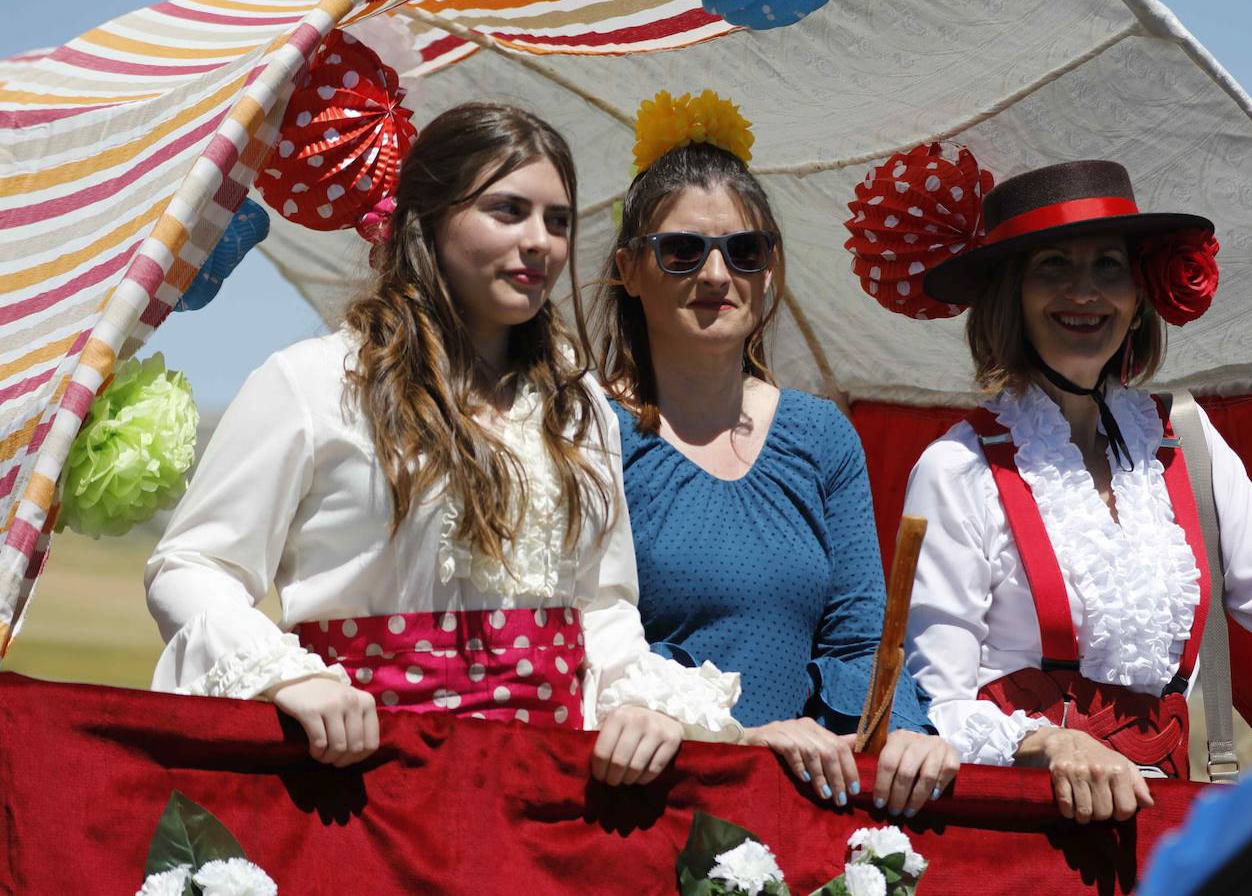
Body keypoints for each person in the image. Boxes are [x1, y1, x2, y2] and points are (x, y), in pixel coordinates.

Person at [146, 103, 741, 785]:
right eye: (507, 210)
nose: (540, 241)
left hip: (543, 788)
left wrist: (639, 704)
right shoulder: (314, 384)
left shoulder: (576, 406)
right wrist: (286, 678)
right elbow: (192, 564)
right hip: (365, 781)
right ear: (427, 220)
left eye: (558, 220)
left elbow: (601, 606)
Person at [901, 159, 1252, 823]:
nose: (1085, 292)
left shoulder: (1188, 445)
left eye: (1109, 267)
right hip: (1015, 839)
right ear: (1010, 296)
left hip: (1162, 835)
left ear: (1139, 294)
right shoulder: (958, 468)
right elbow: (932, 707)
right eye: (1053, 265)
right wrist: (1047, 741)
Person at [593, 100, 960, 818]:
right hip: (651, 804)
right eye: (681, 251)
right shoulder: (587, 430)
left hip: (800, 812)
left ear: (769, 271)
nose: (715, 273)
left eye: (745, 251)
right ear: (630, 270)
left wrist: (909, 734)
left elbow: (859, 640)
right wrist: (735, 736)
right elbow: (589, 639)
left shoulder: (821, 436)